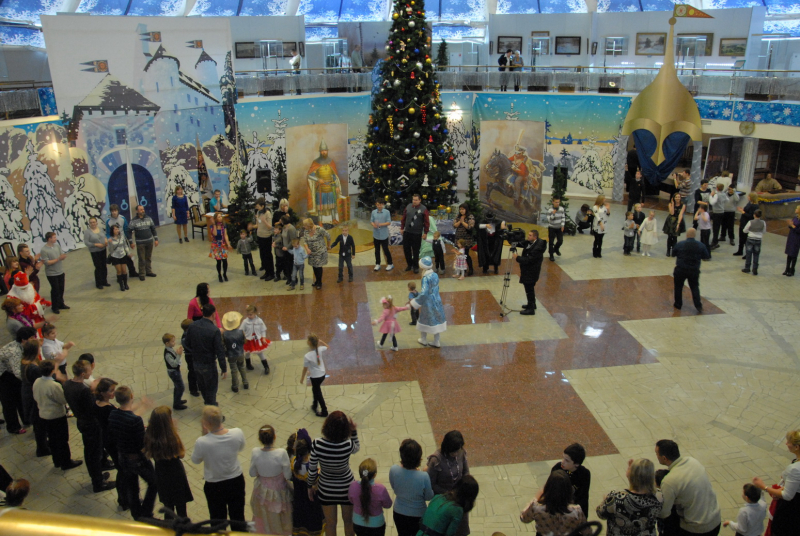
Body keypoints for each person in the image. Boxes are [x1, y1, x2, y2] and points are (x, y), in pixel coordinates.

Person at [192, 405, 247, 531]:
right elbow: (241, 448)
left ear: (205, 423)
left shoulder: (202, 442)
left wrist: (204, 433)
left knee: (217, 520)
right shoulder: (237, 432)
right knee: (238, 517)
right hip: (235, 480)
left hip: (214, 486)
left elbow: (195, 460)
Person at [63, 360, 115, 493]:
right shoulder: (83, 390)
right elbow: (92, 408)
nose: (91, 372)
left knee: (91, 451)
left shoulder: (68, 384)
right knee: (94, 453)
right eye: (89, 370)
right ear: (82, 373)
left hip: (81, 421)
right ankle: (98, 482)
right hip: (91, 424)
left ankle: (97, 474)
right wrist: (94, 391)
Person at [307, 411, 361, 536]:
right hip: (346, 487)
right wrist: (353, 431)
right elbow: (357, 447)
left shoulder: (317, 444)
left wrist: (310, 485)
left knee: (330, 524)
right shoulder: (347, 444)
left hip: (326, 488)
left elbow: (313, 469)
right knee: (348, 522)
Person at [108, 386, 157, 520]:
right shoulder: (135, 420)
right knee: (154, 483)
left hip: (122, 456)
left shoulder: (113, 414)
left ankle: (136, 513)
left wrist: (142, 405)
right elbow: (141, 442)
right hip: (137, 459)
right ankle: (146, 512)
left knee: (132, 486)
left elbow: (128, 415)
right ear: (131, 396)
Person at [656, 439, 721, 536]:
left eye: (657, 454)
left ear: (664, 458)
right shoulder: (693, 461)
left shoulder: (669, 481)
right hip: (715, 521)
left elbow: (664, 513)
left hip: (697, 529)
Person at [142, 406, 193, 517]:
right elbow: (182, 454)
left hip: (161, 473)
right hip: (176, 473)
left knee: (168, 505)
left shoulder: (149, 435)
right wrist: (176, 431)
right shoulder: (172, 437)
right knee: (181, 506)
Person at [33, 360, 82, 471]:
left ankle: (57, 461)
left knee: (52, 439)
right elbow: (63, 399)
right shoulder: (54, 385)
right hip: (56, 416)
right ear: (51, 371)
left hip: (43, 414)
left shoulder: (37, 381)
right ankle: (66, 462)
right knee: (62, 439)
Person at [752, 430, 800, 536]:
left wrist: (763, 486)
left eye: (789, 442)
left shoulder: (795, 469)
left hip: (791, 508)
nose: (786, 444)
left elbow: (787, 495)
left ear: (796, 447)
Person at [596, 458, 661, 536]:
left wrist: (606, 500)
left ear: (632, 476)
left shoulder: (616, 497)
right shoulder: (659, 496)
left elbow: (601, 514)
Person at [250, 424, 293, 535]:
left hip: (262, 492)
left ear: (260, 439)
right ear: (274, 437)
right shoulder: (281, 453)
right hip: (279, 493)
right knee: (280, 517)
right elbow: (288, 476)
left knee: (263, 516)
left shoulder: (255, 452)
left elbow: (252, 473)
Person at [183, 303, 227, 406]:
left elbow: (186, 343)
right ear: (213, 315)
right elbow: (219, 351)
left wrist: (195, 351)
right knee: (211, 389)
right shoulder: (214, 330)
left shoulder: (193, 325)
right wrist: (223, 368)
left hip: (196, 363)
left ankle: (208, 403)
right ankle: (211, 410)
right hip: (209, 364)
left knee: (202, 386)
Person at [427, 431, 470, 536]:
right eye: (453, 451)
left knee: (461, 529)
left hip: (459, 498)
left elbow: (466, 472)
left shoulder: (461, 452)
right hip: (443, 500)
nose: (456, 453)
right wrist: (448, 494)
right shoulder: (436, 460)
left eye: (457, 450)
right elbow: (431, 484)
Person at [520, 470, 588, 536]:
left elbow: (524, 518)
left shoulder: (537, 508)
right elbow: (587, 532)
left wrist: (535, 499)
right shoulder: (576, 511)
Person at [93, 377, 127, 510]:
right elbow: (121, 419)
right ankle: (124, 499)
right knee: (123, 470)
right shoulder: (107, 409)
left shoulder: (98, 403)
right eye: (111, 391)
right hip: (113, 441)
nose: (113, 393)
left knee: (122, 469)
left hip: (107, 439)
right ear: (103, 392)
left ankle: (124, 497)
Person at [390, 439, 434, 536]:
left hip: (398, 512)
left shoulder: (393, 470)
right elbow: (429, 496)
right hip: (418, 515)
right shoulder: (423, 476)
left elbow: (394, 486)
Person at [289, 429, 326, 536]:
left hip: (299, 499)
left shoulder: (294, 463)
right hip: (312, 502)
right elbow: (317, 483)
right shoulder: (310, 468)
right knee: (312, 523)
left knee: (301, 521)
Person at [0, 326, 35, 435]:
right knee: (9, 401)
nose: (35, 339)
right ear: (24, 339)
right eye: (32, 337)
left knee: (20, 396)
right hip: (3, 375)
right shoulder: (14, 351)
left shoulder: (22, 345)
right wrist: (29, 382)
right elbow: (17, 372)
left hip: (9, 372)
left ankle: (26, 419)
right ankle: (13, 426)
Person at [545, 443, 592, 518]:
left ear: (576, 464)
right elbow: (549, 490)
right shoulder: (557, 468)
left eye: (567, 460)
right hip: (556, 510)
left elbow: (583, 497)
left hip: (573, 512)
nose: (562, 462)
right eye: (563, 458)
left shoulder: (584, 474)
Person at [348, 458, 392, 536]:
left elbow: (351, 500)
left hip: (358, 523)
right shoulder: (380, 489)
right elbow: (388, 505)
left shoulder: (353, 486)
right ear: (375, 475)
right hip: (376, 525)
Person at [20, 339, 49, 457]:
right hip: (34, 398)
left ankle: (43, 445)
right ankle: (42, 448)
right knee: (39, 424)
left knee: (39, 425)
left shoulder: (25, 362)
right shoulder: (33, 368)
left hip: (29, 394)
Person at [410, 257, 447, 348]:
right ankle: (436, 341)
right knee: (437, 318)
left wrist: (416, 302)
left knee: (424, 318)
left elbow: (424, 292)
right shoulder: (435, 275)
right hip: (437, 299)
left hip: (428, 302)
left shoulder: (425, 278)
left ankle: (423, 339)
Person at [672, 228, 710, 313]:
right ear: (695, 235)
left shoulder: (680, 244)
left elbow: (673, 253)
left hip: (681, 269)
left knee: (678, 287)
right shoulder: (701, 245)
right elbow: (706, 256)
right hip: (694, 270)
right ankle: (698, 305)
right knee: (694, 287)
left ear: (687, 235)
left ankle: (678, 305)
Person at [513, 230, 547, 316]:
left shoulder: (537, 248)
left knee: (529, 289)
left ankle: (531, 309)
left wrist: (517, 258)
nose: (528, 237)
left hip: (532, 271)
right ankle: (532, 304)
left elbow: (529, 260)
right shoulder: (531, 242)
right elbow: (522, 243)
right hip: (529, 270)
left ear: (535, 237)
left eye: (530, 235)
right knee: (529, 288)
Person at [38, 231, 69, 313]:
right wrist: (58, 259)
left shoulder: (57, 246)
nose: (56, 238)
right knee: (55, 289)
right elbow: (47, 263)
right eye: (54, 237)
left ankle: (61, 303)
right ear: (49, 239)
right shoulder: (44, 250)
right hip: (51, 273)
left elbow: (61, 254)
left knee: (61, 288)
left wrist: (63, 257)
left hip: (60, 271)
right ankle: (55, 306)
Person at [105, 204, 138, 278]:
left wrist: (130, 242)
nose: (114, 212)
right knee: (116, 259)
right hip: (114, 242)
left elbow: (126, 230)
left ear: (118, 211)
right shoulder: (108, 221)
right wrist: (108, 239)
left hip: (123, 241)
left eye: (115, 210)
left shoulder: (122, 218)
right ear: (110, 212)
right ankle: (120, 276)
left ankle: (132, 272)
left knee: (128, 257)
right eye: (112, 211)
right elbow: (107, 233)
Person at [300, 333, 329, 417]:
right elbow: (327, 346)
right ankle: (314, 405)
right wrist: (321, 341)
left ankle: (324, 411)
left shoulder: (307, 356)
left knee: (318, 393)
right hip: (322, 374)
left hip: (315, 377)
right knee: (315, 390)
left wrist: (302, 378)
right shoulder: (320, 349)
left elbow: (305, 369)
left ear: (309, 343)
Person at [401, 194, 429, 274]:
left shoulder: (423, 209)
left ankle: (416, 266)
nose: (414, 201)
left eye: (416, 200)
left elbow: (426, 222)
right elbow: (404, 218)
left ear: (420, 200)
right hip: (407, 232)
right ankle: (409, 265)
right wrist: (402, 228)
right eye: (413, 200)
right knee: (406, 249)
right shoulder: (408, 207)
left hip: (417, 233)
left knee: (416, 251)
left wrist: (425, 232)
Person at [130, 205, 158, 281]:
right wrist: (131, 242)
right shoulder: (133, 221)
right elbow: (129, 231)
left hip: (149, 241)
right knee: (141, 258)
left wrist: (156, 239)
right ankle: (142, 273)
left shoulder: (149, 218)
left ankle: (149, 271)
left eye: (143, 209)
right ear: (137, 211)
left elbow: (153, 229)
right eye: (140, 209)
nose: (142, 211)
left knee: (148, 258)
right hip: (140, 243)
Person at [301, 218, 332, 290]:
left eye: (304, 225)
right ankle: (317, 280)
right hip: (311, 253)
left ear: (309, 225)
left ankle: (319, 282)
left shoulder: (319, 229)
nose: (303, 227)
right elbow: (304, 240)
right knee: (314, 266)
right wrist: (307, 249)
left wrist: (328, 246)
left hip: (320, 252)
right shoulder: (306, 230)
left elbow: (328, 236)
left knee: (318, 267)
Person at [222, 311, 248, 393]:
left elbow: (223, 344)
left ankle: (235, 386)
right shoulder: (241, 332)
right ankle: (245, 382)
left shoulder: (225, 334)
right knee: (242, 367)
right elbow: (245, 341)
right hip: (240, 353)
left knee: (234, 370)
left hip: (231, 355)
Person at [242, 304, 271, 374]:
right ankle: (248, 364)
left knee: (260, 353)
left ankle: (266, 367)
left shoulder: (259, 321)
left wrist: (263, 338)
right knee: (247, 352)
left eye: (251, 314)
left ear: (255, 313)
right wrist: (244, 337)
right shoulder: (245, 322)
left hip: (257, 340)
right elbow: (241, 330)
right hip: (249, 340)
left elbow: (263, 330)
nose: (249, 316)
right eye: (248, 314)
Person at [82, 217, 109, 290]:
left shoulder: (100, 229)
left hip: (103, 249)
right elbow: (86, 242)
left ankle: (104, 281)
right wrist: (96, 244)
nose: (93, 224)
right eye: (91, 222)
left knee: (104, 265)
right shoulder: (87, 232)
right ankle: (98, 283)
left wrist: (106, 241)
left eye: (94, 222)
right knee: (98, 267)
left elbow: (104, 236)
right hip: (95, 251)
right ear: (89, 224)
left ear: (96, 222)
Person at [162, 333, 187, 410]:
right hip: (173, 372)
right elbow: (174, 364)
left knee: (177, 387)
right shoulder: (167, 354)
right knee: (180, 387)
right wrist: (178, 355)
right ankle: (176, 404)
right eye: (172, 341)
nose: (174, 343)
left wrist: (177, 353)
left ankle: (177, 400)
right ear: (167, 343)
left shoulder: (170, 349)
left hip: (175, 371)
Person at [252, 198, 275, 280]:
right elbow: (258, 224)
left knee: (268, 255)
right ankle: (266, 272)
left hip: (266, 237)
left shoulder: (268, 213)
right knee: (263, 255)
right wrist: (252, 226)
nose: (257, 208)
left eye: (258, 206)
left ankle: (271, 273)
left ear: (262, 206)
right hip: (260, 236)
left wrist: (264, 220)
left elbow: (270, 227)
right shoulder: (258, 212)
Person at [107, 224, 132, 291]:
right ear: (112, 231)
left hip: (123, 255)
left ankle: (125, 284)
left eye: (117, 229)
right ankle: (121, 285)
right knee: (119, 271)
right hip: (115, 256)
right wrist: (111, 243)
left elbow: (125, 246)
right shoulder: (110, 239)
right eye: (115, 229)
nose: (117, 230)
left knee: (124, 270)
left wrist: (128, 253)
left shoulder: (122, 237)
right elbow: (110, 250)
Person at [371, 199, 394, 272]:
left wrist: (380, 224)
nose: (379, 206)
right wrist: (374, 225)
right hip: (376, 234)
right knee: (377, 250)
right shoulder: (374, 212)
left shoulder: (387, 212)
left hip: (384, 235)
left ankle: (390, 263)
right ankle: (377, 263)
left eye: (380, 205)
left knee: (385, 249)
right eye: (378, 205)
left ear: (383, 205)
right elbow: (371, 221)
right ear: (376, 205)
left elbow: (389, 222)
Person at [734, 192, 759, 257]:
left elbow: (751, 216)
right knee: (741, 237)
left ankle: (747, 253)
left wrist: (742, 212)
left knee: (746, 239)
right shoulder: (749, 203)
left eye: (749, 196)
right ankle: (740, 250)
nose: (748, 197)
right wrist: (742, 210)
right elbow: (746, 211)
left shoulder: (755, 206)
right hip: (743, 222)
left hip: (747, 223)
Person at [741, 209, 765, 276]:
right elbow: (764, 231)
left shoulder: (750, 222)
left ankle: (747, 267)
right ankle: (755, 269)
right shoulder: (763, 222)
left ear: (754, 215)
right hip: (758, 239)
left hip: (750, 238)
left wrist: (749, 231)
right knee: (756, 254)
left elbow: (745, 230)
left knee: (748, 254)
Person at [453, 204, 475, 275]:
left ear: (466, 209)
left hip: (466, 239)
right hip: (459, 238)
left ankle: (470, 269)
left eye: (463, 209)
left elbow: (470, 227)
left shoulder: (470, 217)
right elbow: (454, 225)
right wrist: (460, 221)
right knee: (459, 254)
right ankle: (462, 269)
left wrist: (463, 222)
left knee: (466, 254)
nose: (461, 211)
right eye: (460, 209)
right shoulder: (458, 216)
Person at [209, 212, 231, 283]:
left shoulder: (223, 225)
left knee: (225, 260)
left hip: (222, 244)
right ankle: (219, 274)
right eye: (218, 217)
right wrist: (214, 224)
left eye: (221, 216)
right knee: (218, 261)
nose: (220, 218)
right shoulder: (212, 226)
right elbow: (215, 234)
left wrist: (228, 244)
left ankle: (224, 274)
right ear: (215, 218)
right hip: (216, 245)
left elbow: (225, 235)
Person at [280, 215, 299, 284]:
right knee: (287, 265)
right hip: (285, 249)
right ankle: (289, 278)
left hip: (290, 249)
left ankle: (294, 279)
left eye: (281, 220)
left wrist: (287, 247)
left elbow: (293, 240)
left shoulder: (291, 228)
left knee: (291, 265)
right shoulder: (284, 227)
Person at [547, 197, 565, 262]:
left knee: (560, 241)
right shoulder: (550, 210)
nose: (557, 203)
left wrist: (562, 225)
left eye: (558, 202)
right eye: (556, 202)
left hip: (559, 227)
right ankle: (551, 255)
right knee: (551, 242)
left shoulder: (561, 209)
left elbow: (563, 217)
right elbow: (550, 220)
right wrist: (553, 214)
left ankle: (556, 248)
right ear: (553, 202)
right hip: (552, 227)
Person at [784, 205, 800, 277]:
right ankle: (787, 268)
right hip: (791, 236)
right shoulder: (795, 217)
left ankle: (792, 269)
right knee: (789, 253)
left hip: (797, 238)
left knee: (793, 254)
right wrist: (790, 224)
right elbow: (791, 225)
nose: (795, 209)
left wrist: (793, 226)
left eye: (797, 208)